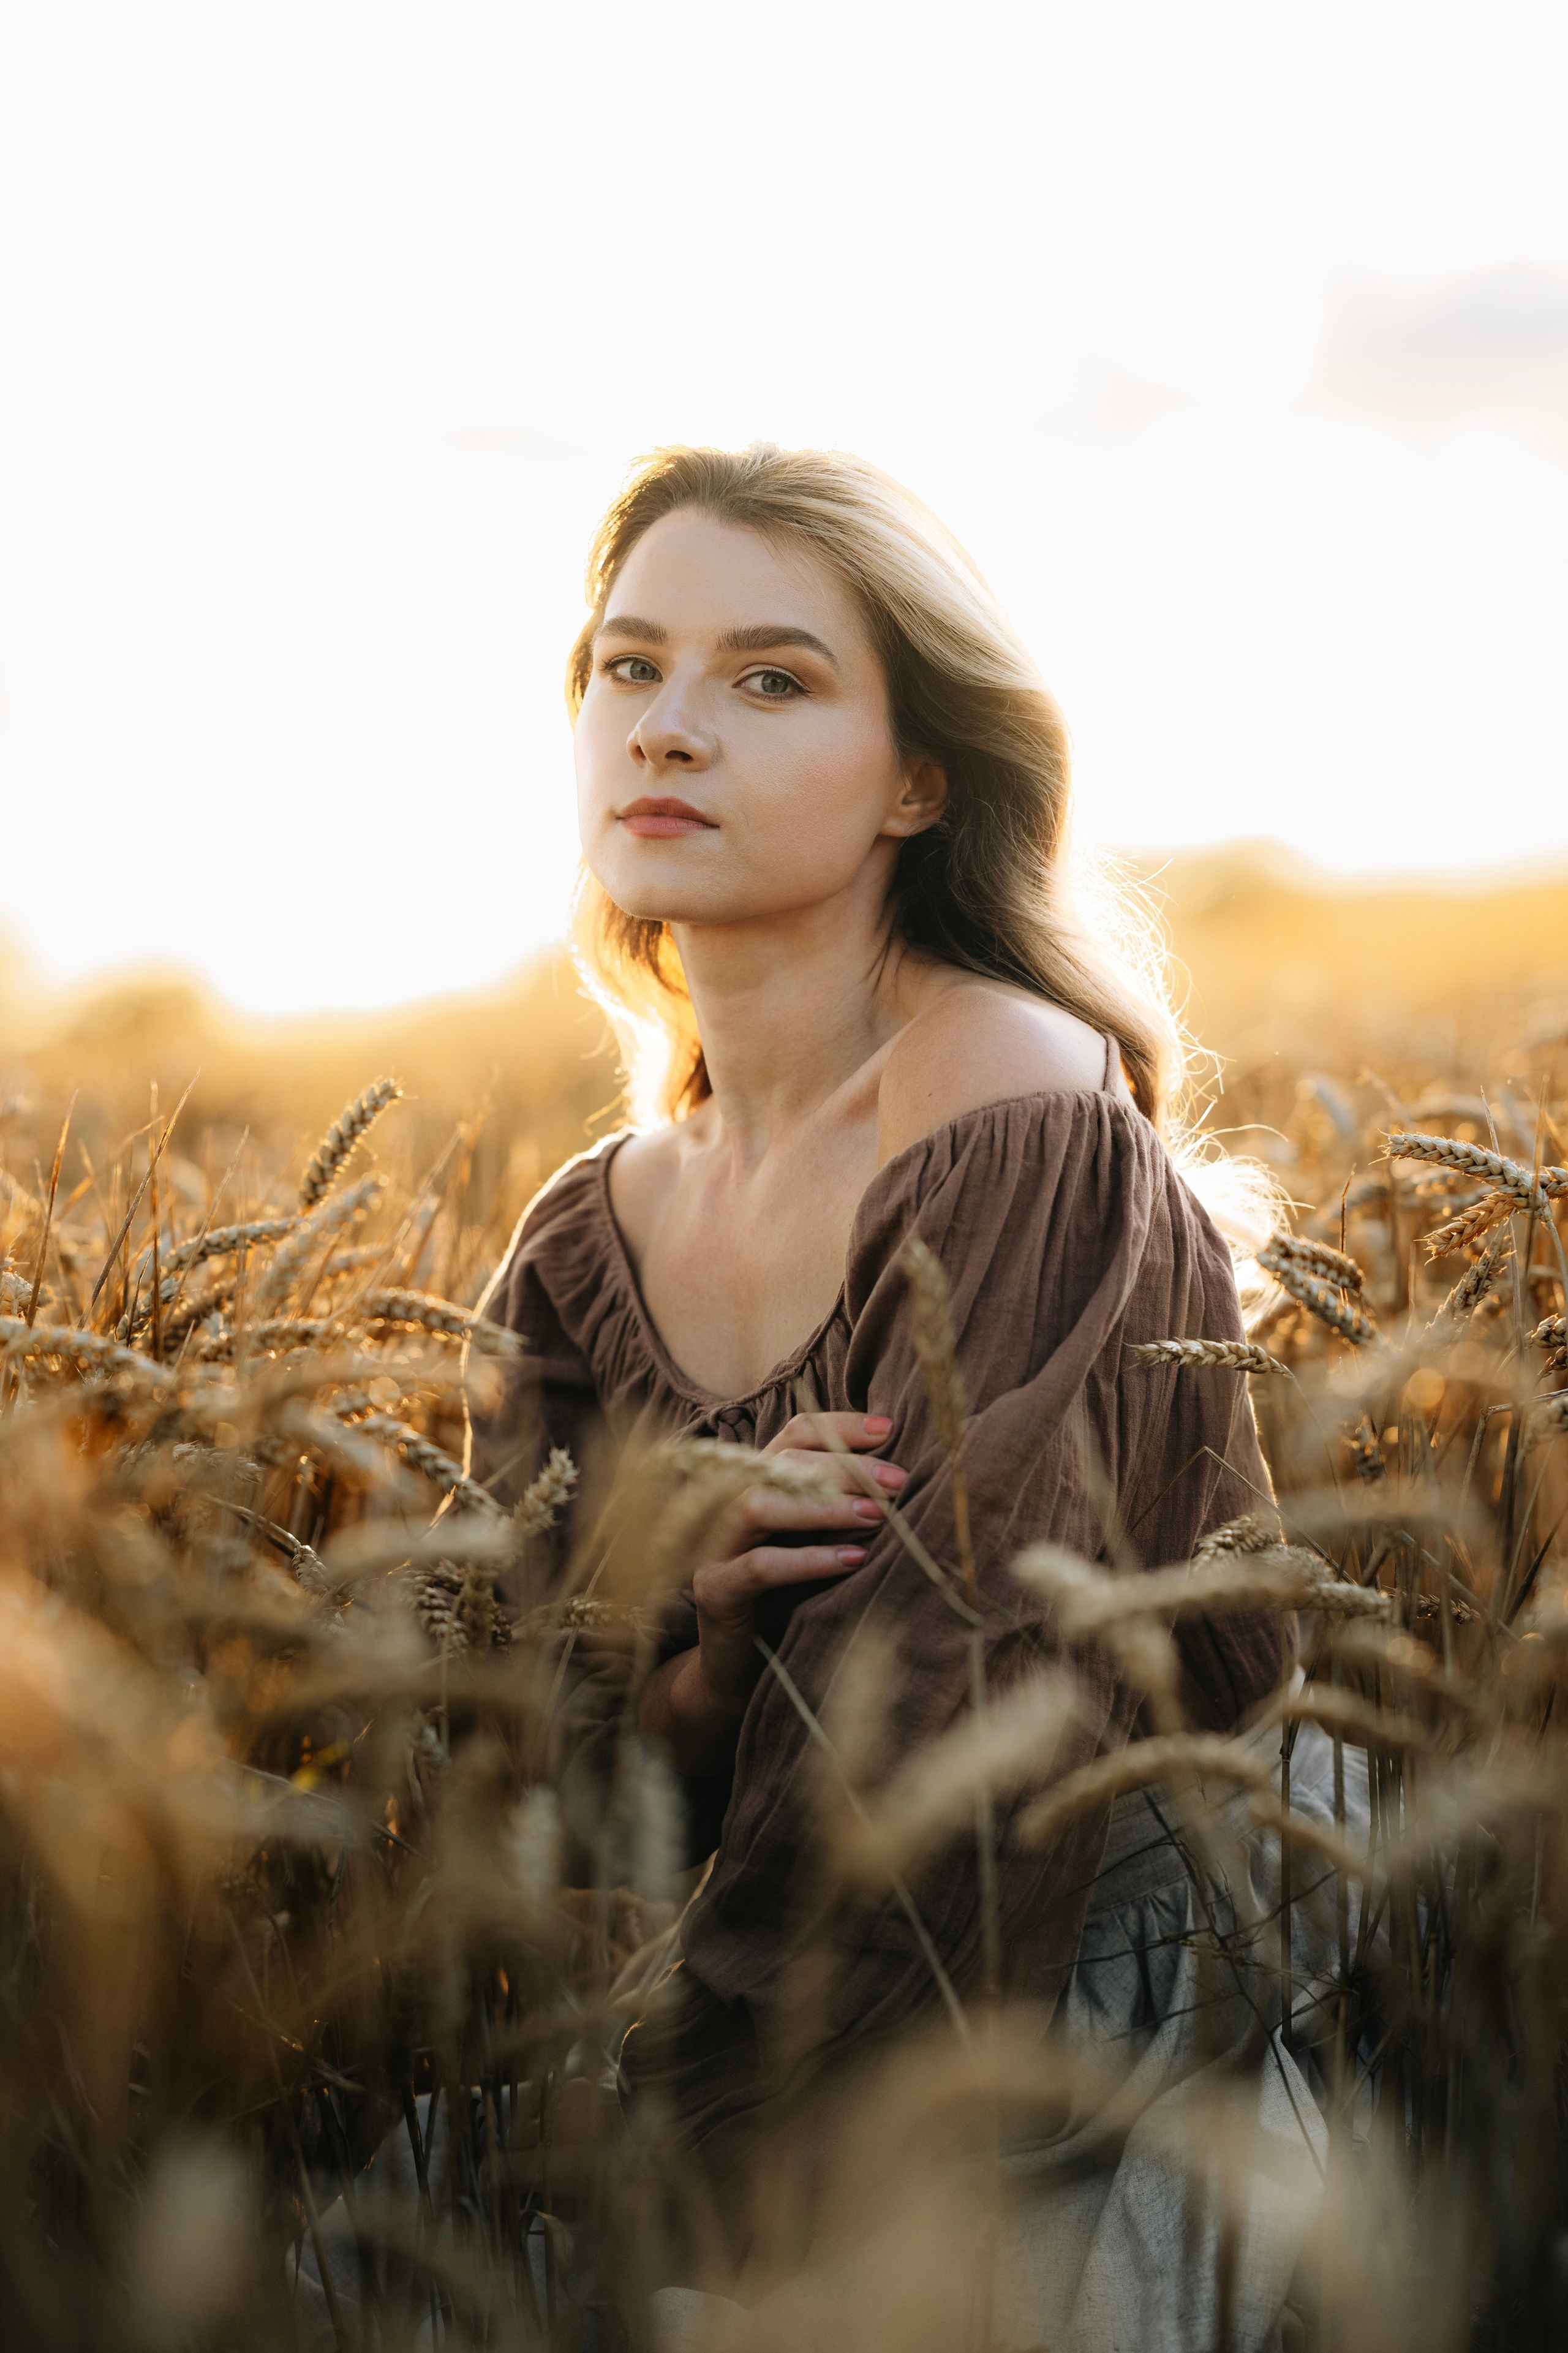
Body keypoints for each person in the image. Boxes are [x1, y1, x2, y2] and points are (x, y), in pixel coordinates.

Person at [470, 444, 1303, 2335]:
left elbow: (964, 1737)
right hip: (704, 2075)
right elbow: (536, 1751)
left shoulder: (1005, 1094)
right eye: (628, 666)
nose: (670, 727)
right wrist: (697, 1643)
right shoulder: (572, 1247)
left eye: (771, 678)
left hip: (1043, 2089)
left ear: (920, 778)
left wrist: (669, 2199)